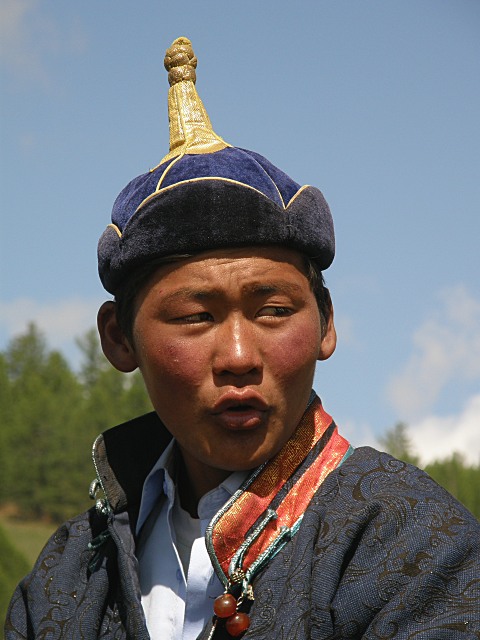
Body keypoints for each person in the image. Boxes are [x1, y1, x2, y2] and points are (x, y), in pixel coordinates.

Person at [5, 37, 480, 640]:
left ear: (326, 323)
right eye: (194, 317)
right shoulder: (69, 576)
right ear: (119, 339)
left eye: (274, 310)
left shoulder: (404, 540)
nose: (237, 357)